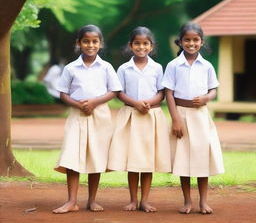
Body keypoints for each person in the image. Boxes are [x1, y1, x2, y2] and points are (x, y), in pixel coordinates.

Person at [53, 24, 122, 214]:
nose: (90, 45)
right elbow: (63, 93)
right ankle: (71, 201)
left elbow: (114, 91)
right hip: (77, 115)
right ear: (78, 43)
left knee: (95, 156)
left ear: (100, 44)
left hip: (100, 115)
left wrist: (94, 102)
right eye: (86, 41)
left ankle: (92, 200)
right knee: (72, 155)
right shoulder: (70, 68)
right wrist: (78, 105)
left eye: (94, 41)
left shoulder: (106, 67)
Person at [162, 22, 224, 214]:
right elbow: (169, 93)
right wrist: (175, 119)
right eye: (187, 40)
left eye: (195, 39)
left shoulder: (206, 66)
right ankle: (187, 200)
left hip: (201, 117)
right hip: (181, 113)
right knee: (184, 159)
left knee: (202, 158)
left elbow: (213, 89)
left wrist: (206, 97)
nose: (191, 43)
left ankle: (203, 201)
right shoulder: (173, 65)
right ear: (180, 42)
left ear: (201, 41)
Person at [108, 26, 171, 213]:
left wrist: (148, 103)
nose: (141, 47)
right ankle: (133, 199)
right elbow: (119, 92)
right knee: (134, 160)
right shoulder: (124, 68)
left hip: (151, 117)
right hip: (131, 116)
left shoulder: (158, 68)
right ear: (130, 45)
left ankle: (145, 200)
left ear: (151, 46)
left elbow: (162, 93)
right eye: (137, 43)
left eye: (145, 44)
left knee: (147, 160)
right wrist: (135, 103)